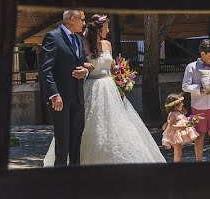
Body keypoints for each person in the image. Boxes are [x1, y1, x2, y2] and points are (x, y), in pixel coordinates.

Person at [44, 14, 165, 166]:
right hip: (91, 89)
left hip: (110, 89)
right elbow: (75, 64)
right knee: (83, 130)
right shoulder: (82, 42)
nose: (108, 30)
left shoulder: (107, 44)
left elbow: (112, 66)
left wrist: (122, 76)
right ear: (99, 29)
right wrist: (85, 70)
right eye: (106, 27)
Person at [38, 10, 89, 166]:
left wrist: (85, 71)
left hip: (78, 100)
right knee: (63, 146)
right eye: (82, 19)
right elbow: (45, 69)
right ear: (72, 19)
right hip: (60, 100)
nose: (84, 23)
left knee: (75, 146)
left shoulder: (79, 39)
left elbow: (82, 62)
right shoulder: (52, 37)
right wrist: (54, 95)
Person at [182, 39, 210, 162]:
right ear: (202, 54)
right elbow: (185, 86)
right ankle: (199, 162)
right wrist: (199, 89)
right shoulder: (191, 67)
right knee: (199, 135)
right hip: (199, 106)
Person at [161, 92, 201, 163]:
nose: (182, 104)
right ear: (175, 106)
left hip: (178, 134)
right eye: (181, 103)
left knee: (179, 151)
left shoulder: (178, 113)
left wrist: (193, 120)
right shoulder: (173, 114)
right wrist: (180, 127)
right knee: (177, 152)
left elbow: (184, 119)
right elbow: (172, 126)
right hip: (175, 135)